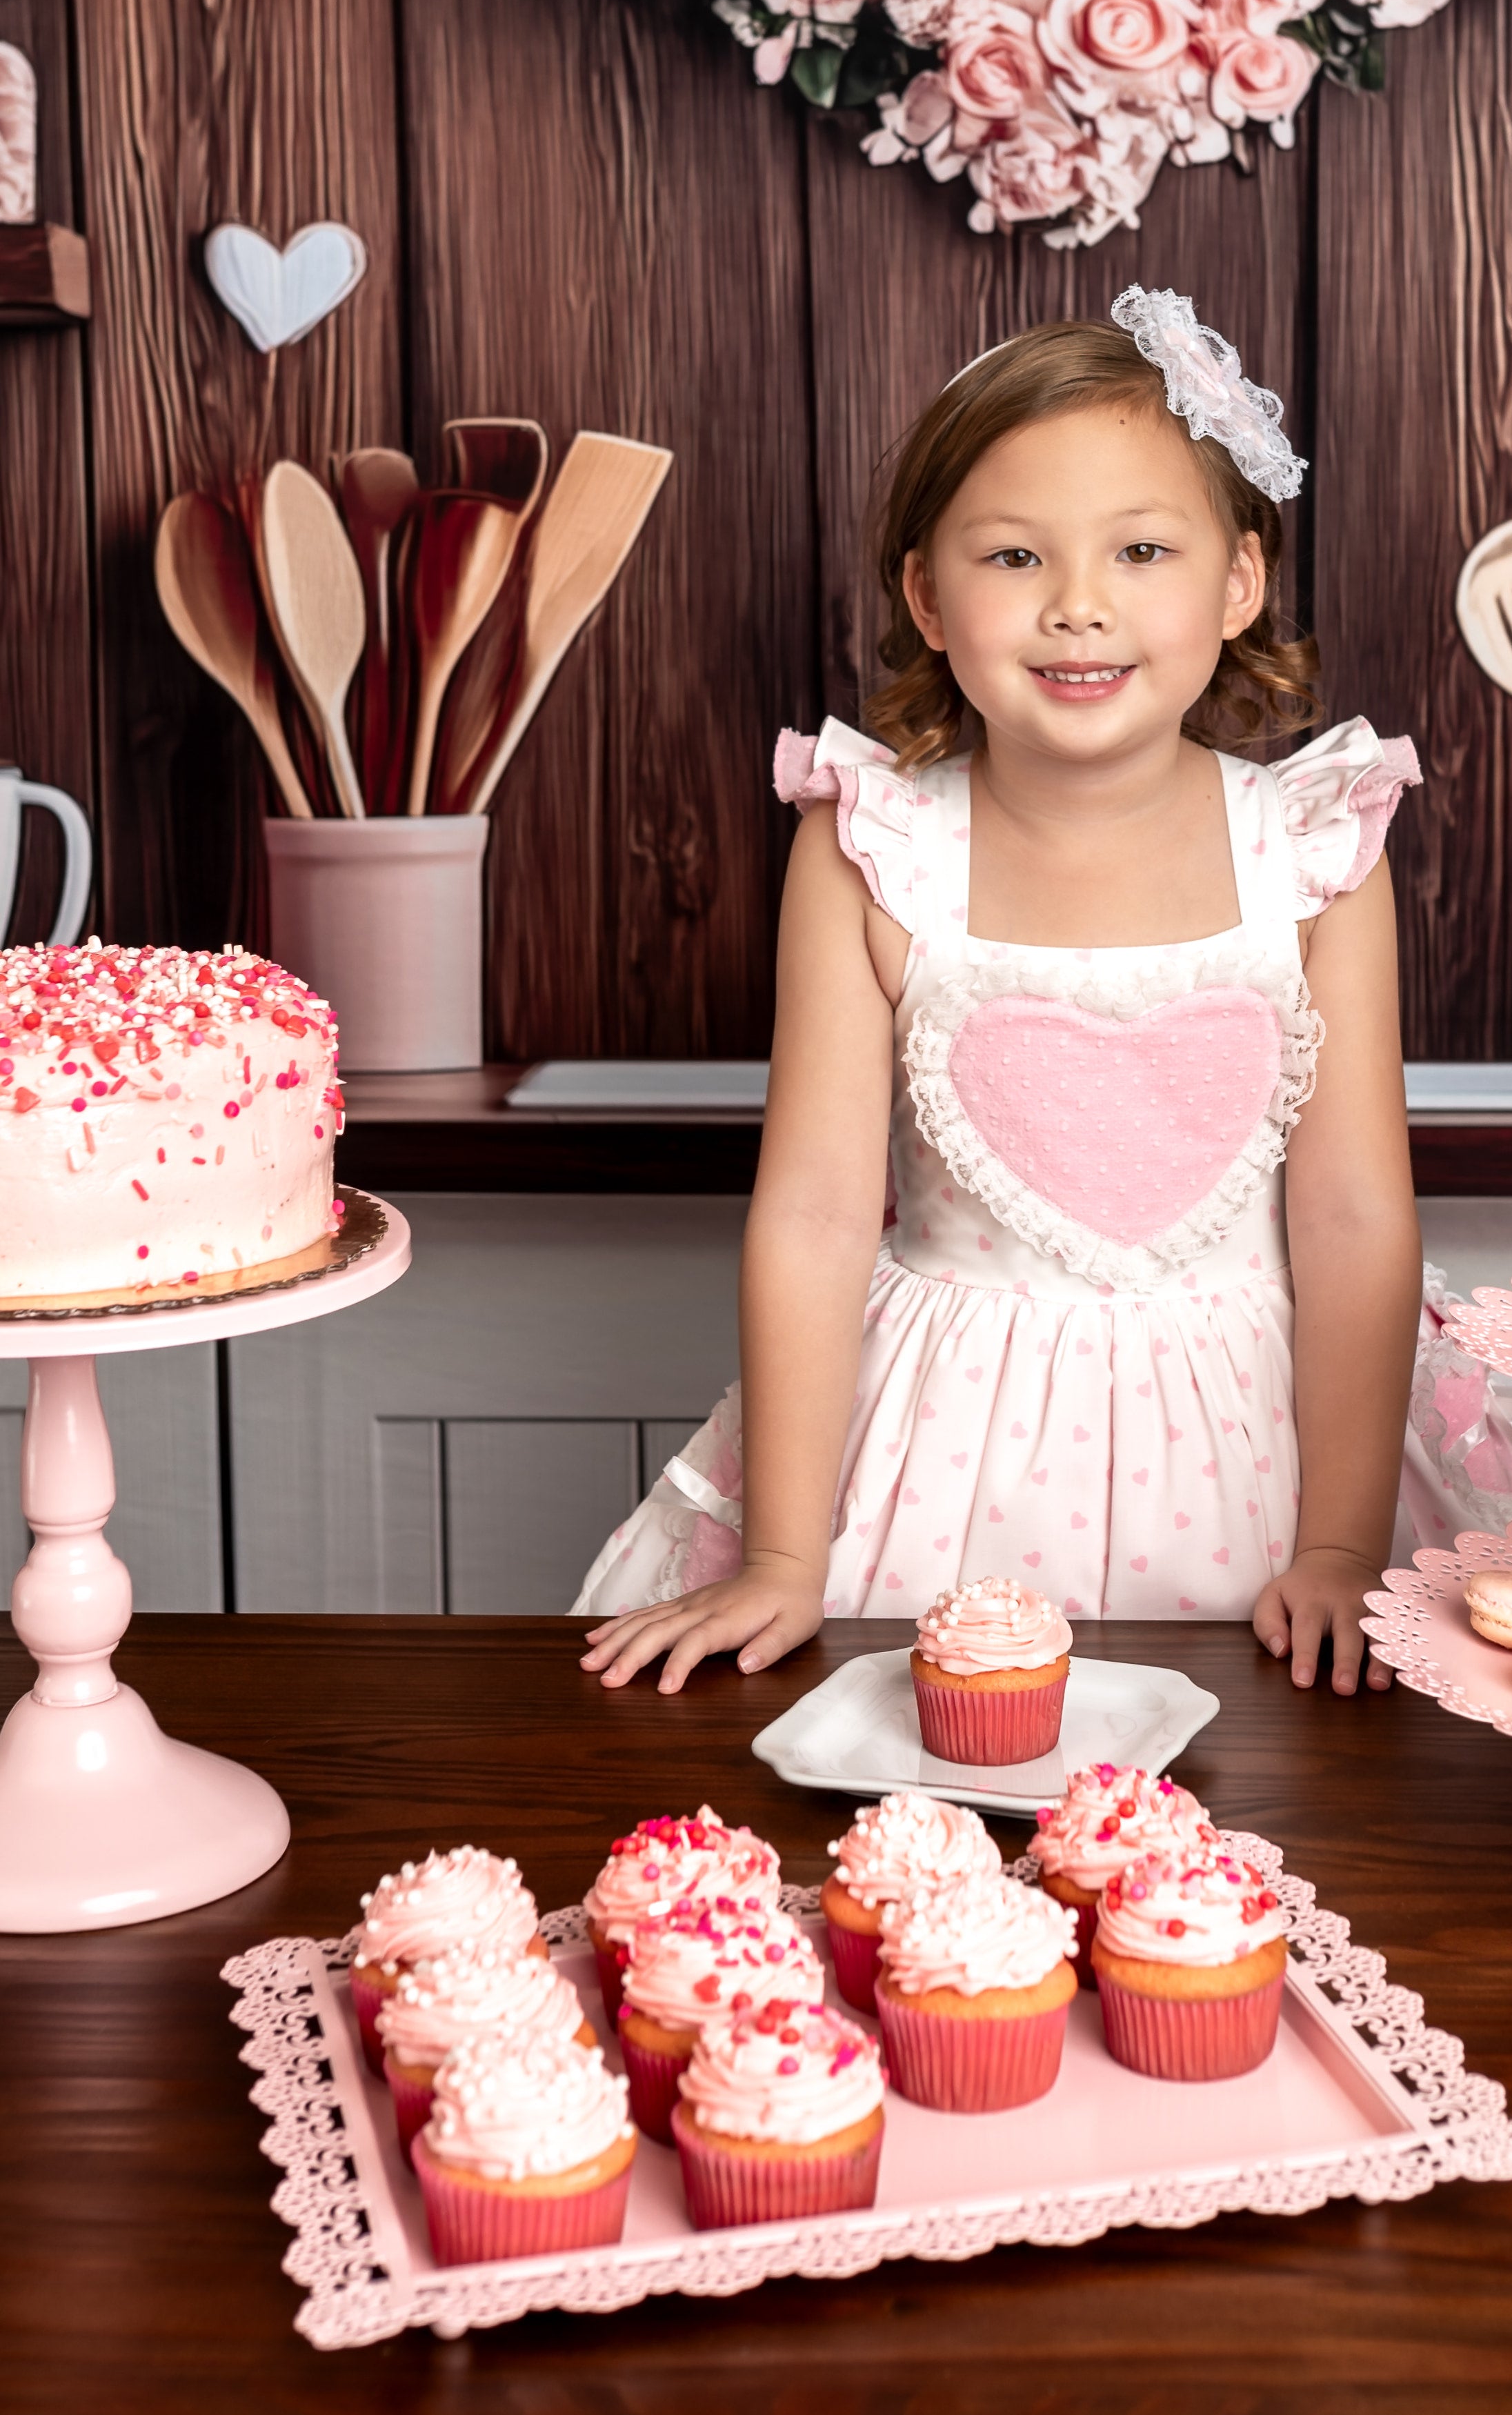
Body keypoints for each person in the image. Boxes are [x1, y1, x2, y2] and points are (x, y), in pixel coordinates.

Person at [577, 286, 1456, 1701]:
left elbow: (1352, 1215)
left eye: (1144, 549)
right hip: (938, 1443)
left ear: (1240, 582)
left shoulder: (1316, 847)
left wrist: (1345, 1540)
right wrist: (789, 1559)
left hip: (1260, 1446)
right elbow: (810, 1211)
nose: (1079, 604)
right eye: (1013, 555)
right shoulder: (870, 847)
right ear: (929, 594)